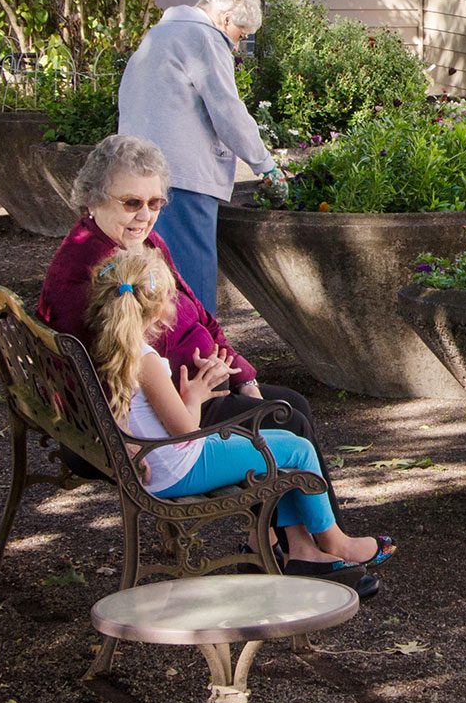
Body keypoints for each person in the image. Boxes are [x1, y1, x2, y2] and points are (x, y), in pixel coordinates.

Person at [37, 135, 345, 519]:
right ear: (94, 197)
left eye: (155, 202)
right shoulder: (92, 271)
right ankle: (307, 548)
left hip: (186, 391)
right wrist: (122, 443)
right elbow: (92, 373)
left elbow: (199, 313)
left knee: (284, 404)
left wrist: (242, 377)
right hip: (162, 416)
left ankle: (294, 547)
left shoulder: (142, 245)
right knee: (285, 415)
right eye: (131, 202)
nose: (145, 215)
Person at [87, 249, 391, 592]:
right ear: (160, 310)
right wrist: (197, 395)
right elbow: (185, 430)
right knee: (299, 450)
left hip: (159, 463)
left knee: (280, 452)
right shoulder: (147, 362)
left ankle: (304, 553)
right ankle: (335, 541)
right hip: (179, 468)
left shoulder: (111, 348)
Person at [119, 0, 283, 316]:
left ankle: (160, 359)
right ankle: (200, 356)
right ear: (225, 19)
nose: (238, 43)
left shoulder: (158, 35)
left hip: (139, 171)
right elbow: (228, 111)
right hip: (183, 175)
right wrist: (265, 164)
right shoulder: (205, 39)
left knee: (154, 279)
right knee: (191, 281)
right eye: (241, 32)